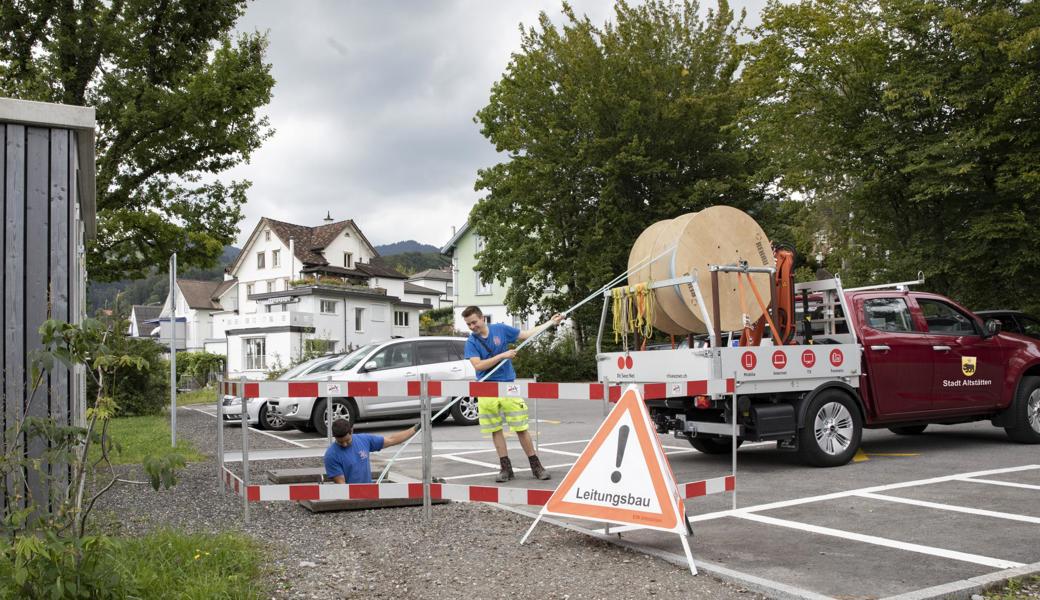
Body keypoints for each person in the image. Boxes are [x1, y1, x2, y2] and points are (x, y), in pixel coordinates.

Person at [462, 305, 564, 482]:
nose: (472, 327)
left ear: (482, 319)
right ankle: (505, 468)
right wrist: (503, 355)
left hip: (508, 385)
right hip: (486, 387)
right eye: (468, 324)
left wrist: (550, 323)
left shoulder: (500, 330)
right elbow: (478, 366)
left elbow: (526, 334)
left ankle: (536, 466)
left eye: (474, 322)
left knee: (520, 426)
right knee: (495, 429)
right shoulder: (471, 342)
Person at [324, 418, 419, 484]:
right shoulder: (331, 455)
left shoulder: (364, 440)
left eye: (347, 441)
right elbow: (342, 485)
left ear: (351, 431)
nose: (344, 444)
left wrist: (415, 429)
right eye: (340, 442)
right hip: (349, 497)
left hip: (368, 492)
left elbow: (391, 439)